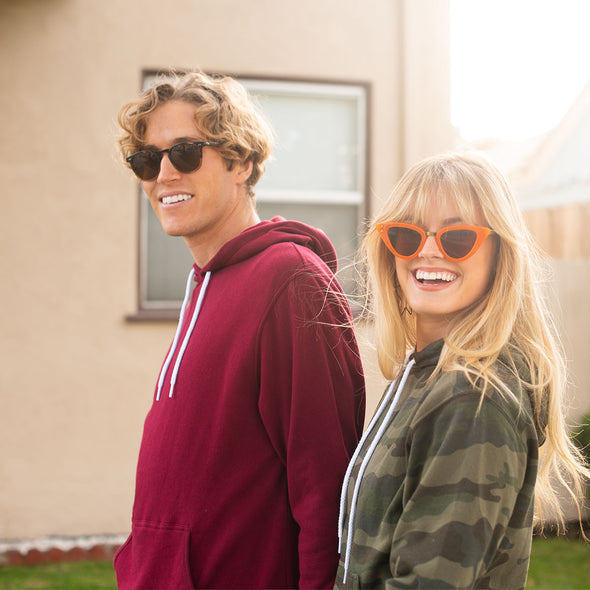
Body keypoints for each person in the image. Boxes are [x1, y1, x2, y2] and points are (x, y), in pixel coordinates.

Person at [113, 71, 366, 590]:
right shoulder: (205, 284)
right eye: (145, 160)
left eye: (184, 152)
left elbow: (326, 488)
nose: (163, 174)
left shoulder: (290, 280)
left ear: (242, 161)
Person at [335, 152, 589, 589]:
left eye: (456, 237)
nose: (428, 250)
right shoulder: (424, 372)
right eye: (406, 235)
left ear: (498, 253)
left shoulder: (471, 397)